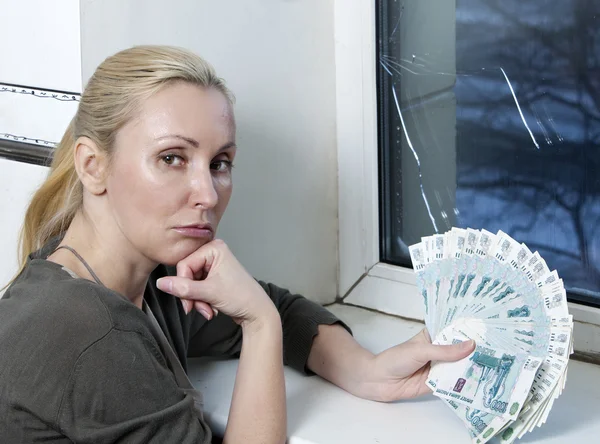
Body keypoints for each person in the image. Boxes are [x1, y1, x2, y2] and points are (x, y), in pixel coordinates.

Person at [0, 45, 475, 444]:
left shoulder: (148, 286)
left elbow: (286, 312)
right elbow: (270, 316)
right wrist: (259, 323)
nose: (207, 194)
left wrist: (367, 371)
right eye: (171, 158)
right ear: (92, 166)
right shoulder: (89, 333)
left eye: (220, 162)